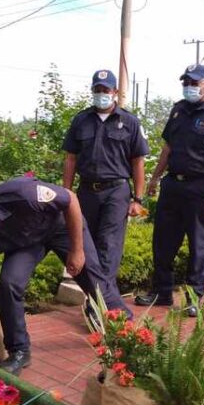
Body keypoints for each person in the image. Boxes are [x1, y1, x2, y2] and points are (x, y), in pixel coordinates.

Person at [0, 177, 132, 375]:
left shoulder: (22, 194)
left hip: (62, 227)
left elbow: (70, 199)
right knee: (9, 284)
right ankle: (19, 351)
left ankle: (130, 336)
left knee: (95, 284)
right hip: (29, 242)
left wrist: (77, 249)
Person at [134, 64, 204, 316]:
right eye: (187, 83)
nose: (190, 87)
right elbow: (168, 148)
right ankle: (162, 292)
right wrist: (155, 178)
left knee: (198, 244)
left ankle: (194, 298)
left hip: (202, 186)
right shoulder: (178, 109)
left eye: (195, 83)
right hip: (172, 185)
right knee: (163, 242)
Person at [62, 69, 149, 289]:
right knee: (85, 242)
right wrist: (66, 194)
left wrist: (138, 200)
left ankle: (103, 301)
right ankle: (92, 291)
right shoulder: (81, 120)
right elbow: (71, 159)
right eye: (97, 89)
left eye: (106, 90)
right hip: (86, 192)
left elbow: (138, 161)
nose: (102, 93)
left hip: (116, 192)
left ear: (115, 92)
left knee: (108, 246)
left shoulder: (129, 122)